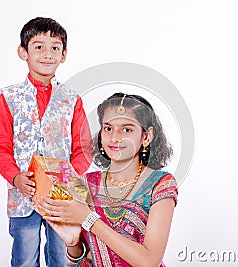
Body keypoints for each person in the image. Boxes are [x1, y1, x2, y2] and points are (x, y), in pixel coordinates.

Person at [0, 17, 92, 267]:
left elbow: (84, 149)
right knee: (24, 258)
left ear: (64, 54)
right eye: (39, 47)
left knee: (63, 258)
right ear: (23, 52)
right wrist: (16, 177)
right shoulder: (9, 97)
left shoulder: (71, 99)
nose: (48, 54)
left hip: (63, 199)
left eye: (55, 48)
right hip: (23, 196)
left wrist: (68, 177)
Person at [38, 93, 178, 266]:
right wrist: (72, 243)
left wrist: (88, 219)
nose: (114, 138)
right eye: (108, 128)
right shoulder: (86, 183)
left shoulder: (160, 184)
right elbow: (81, 257)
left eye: (127, 129)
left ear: (146, 136)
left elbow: (149, 261)